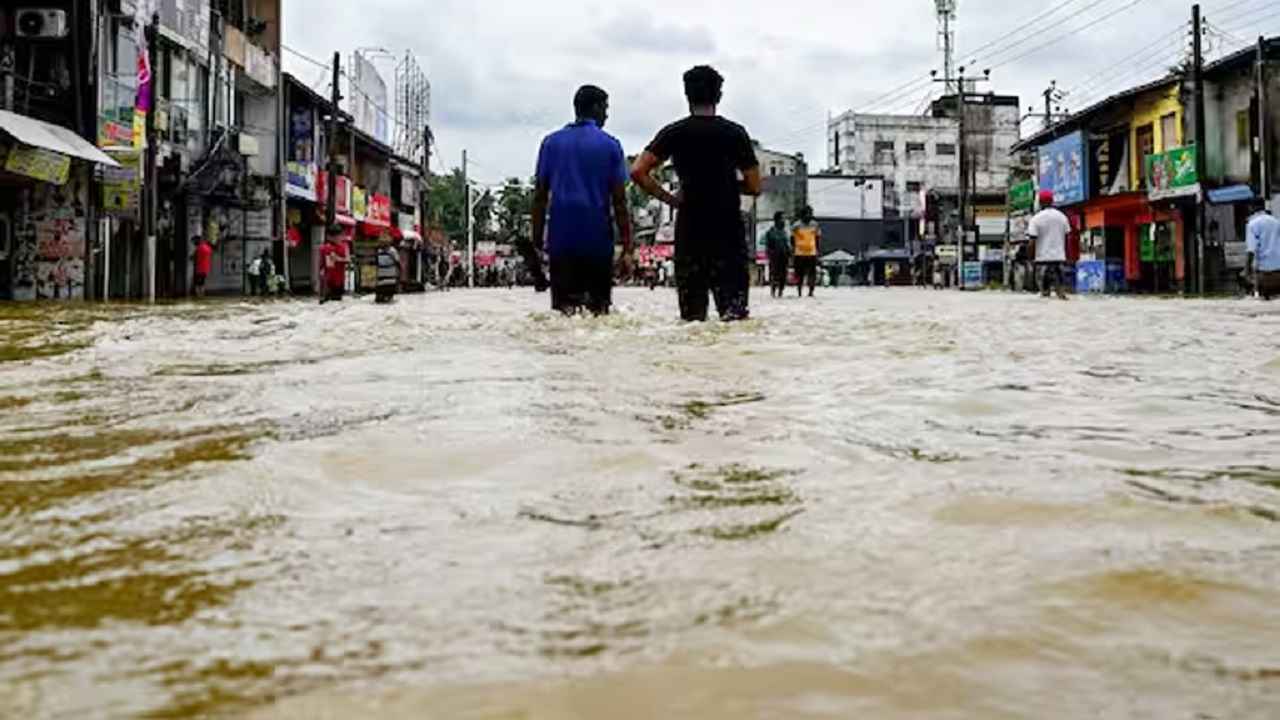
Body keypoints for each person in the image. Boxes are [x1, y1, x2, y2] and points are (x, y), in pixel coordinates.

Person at [631, 65, 762, 322]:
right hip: (728, 234)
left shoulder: (675, 133)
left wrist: (671, 199)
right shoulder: (735, 133)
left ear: (687, 95)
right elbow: (755, 186)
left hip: (690, 232)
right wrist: (727, 186)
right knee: (734, 319)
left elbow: (638, 171)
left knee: (692, 321)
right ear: (719, 96)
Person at [530, 85, 633, 316]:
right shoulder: (610, 145)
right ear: (595, 108)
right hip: (598, 243)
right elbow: (620, 203)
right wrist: (627, 248)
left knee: (564, 315)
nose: (607, 114)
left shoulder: (551, 143)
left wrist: (536, 244)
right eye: (605, 108)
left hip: (561, 244)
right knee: (598, 316)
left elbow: (539, 198)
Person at [1027, 190, 1070, 300]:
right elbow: (1067, 238)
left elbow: (1032, 241)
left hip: (1042, 260)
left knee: (1044, 295)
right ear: (1052, 201)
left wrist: (1030, 258)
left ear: (1040, 202)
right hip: (1059, 259)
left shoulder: (1036, 219)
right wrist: (1067, 256)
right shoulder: (1062, 217)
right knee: (1061, 294)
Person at [1246, 200, 1280, 300]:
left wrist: (1246, 271)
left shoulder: (1252, 224)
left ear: (1251, 208)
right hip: (1279, 272)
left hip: (1263, 275)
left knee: (1258, 300)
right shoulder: (1277, 222)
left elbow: (1251, 250)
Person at [791, 206, 821, 297]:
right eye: (807, 214)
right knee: (799, 274)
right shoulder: (796, 225)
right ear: (802, 215)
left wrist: (817, 250)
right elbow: (792, 239)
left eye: (810, 214)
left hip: (811, 253)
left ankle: (811, 291)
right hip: (799, 253)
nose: (809, 216)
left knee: (812, 273)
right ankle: (799, 291)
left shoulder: (815, 225)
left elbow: (817, 238)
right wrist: (794, 250)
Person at [318, 228, 350, 304]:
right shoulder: (326, 248)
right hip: (329, 280)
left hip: (340, 279)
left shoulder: (344, 246)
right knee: (328, 302)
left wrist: (337, 258)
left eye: (340, 236)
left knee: (337, 301)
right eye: (337, 236)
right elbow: (326, 264)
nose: (339, 238)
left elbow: (348, 259)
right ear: (330, 237)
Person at [764, 211, 791, 298]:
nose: (783, 221)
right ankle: (773, 290)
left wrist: (789, 252)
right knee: (774, 274)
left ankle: (780, 291)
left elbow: (788, 244)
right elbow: (768, 245)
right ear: (777, 220)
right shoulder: (771, 232)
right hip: (775, 256)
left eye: (784, 219)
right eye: (782, 218)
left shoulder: (785, 232)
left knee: (783, 274)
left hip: (784, 256)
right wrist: (770, 254)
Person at [374, 234, 401, 304]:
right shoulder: (392, 251)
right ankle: (387, 297)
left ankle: (384, 297)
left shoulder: (379, 251)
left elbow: (377, 262)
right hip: (388, 274)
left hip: (384, 274)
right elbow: (397, 261)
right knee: (388, 292)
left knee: (382, 293)